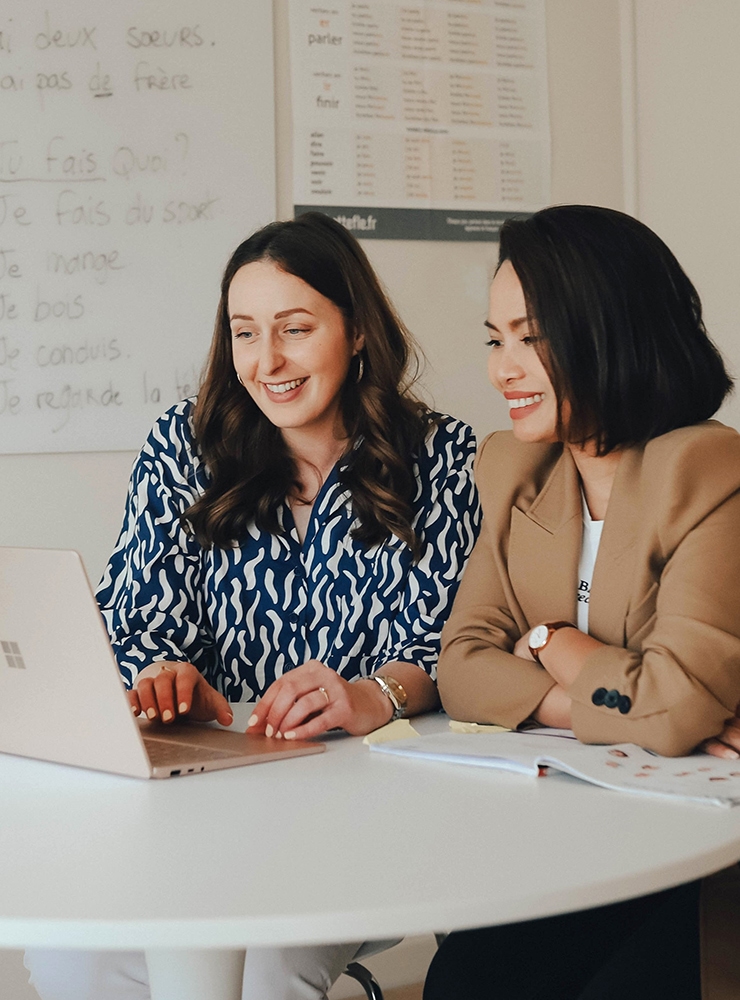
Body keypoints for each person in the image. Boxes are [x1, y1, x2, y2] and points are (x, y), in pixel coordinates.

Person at [25, 212, 480, 1000]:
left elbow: (457, 644)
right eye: (244, 333)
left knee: (262, 971)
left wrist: (374, 693)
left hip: (365, 798)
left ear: (358, 331)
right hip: (207, 799)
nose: (265, 361)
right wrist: (165, 676)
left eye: (295, 329)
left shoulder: (445, 459)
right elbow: (134, 615)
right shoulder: (184, 443)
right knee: (73, 959)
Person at [425, 205, 740, 1000]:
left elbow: (672, 708)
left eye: (532, 338)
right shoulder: (516, 469)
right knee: (463, 980)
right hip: (580, 820)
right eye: (496, 340)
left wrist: (546, 643)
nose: (504, 369)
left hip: (699, 846)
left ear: (612, 330)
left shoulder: (705, 470)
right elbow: (461, 666)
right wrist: (580, 695)